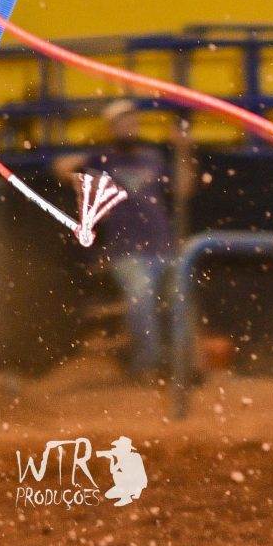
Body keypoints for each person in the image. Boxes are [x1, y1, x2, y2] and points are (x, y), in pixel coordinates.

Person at [53, 102, 177, 382]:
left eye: (132, 121)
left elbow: (182, 187)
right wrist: (86, 161)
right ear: (111, 128)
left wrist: (184, 150)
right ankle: (148, 365)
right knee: (142, 298)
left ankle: (178, 364)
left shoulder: (153, 156)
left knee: (178, 300)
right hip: (126, 250)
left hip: (162, 247)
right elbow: (62, 169)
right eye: (122, 122)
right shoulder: (102, 159)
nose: (129, 126)